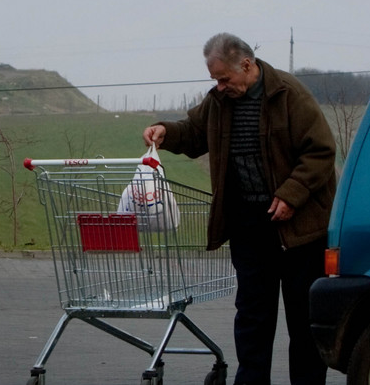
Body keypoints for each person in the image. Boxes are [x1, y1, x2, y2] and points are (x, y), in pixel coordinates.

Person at [142, 33, 336, 385]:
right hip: (250, 226)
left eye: (224, 79)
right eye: (215, 80)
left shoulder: (289, 94)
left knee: (302, 320)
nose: (219, 86)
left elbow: (320, 151)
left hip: (301, 229)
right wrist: (165, 132)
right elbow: (194, 132)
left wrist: (292, 194)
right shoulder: (219, 101)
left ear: (246, 65)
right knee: (252, 317)